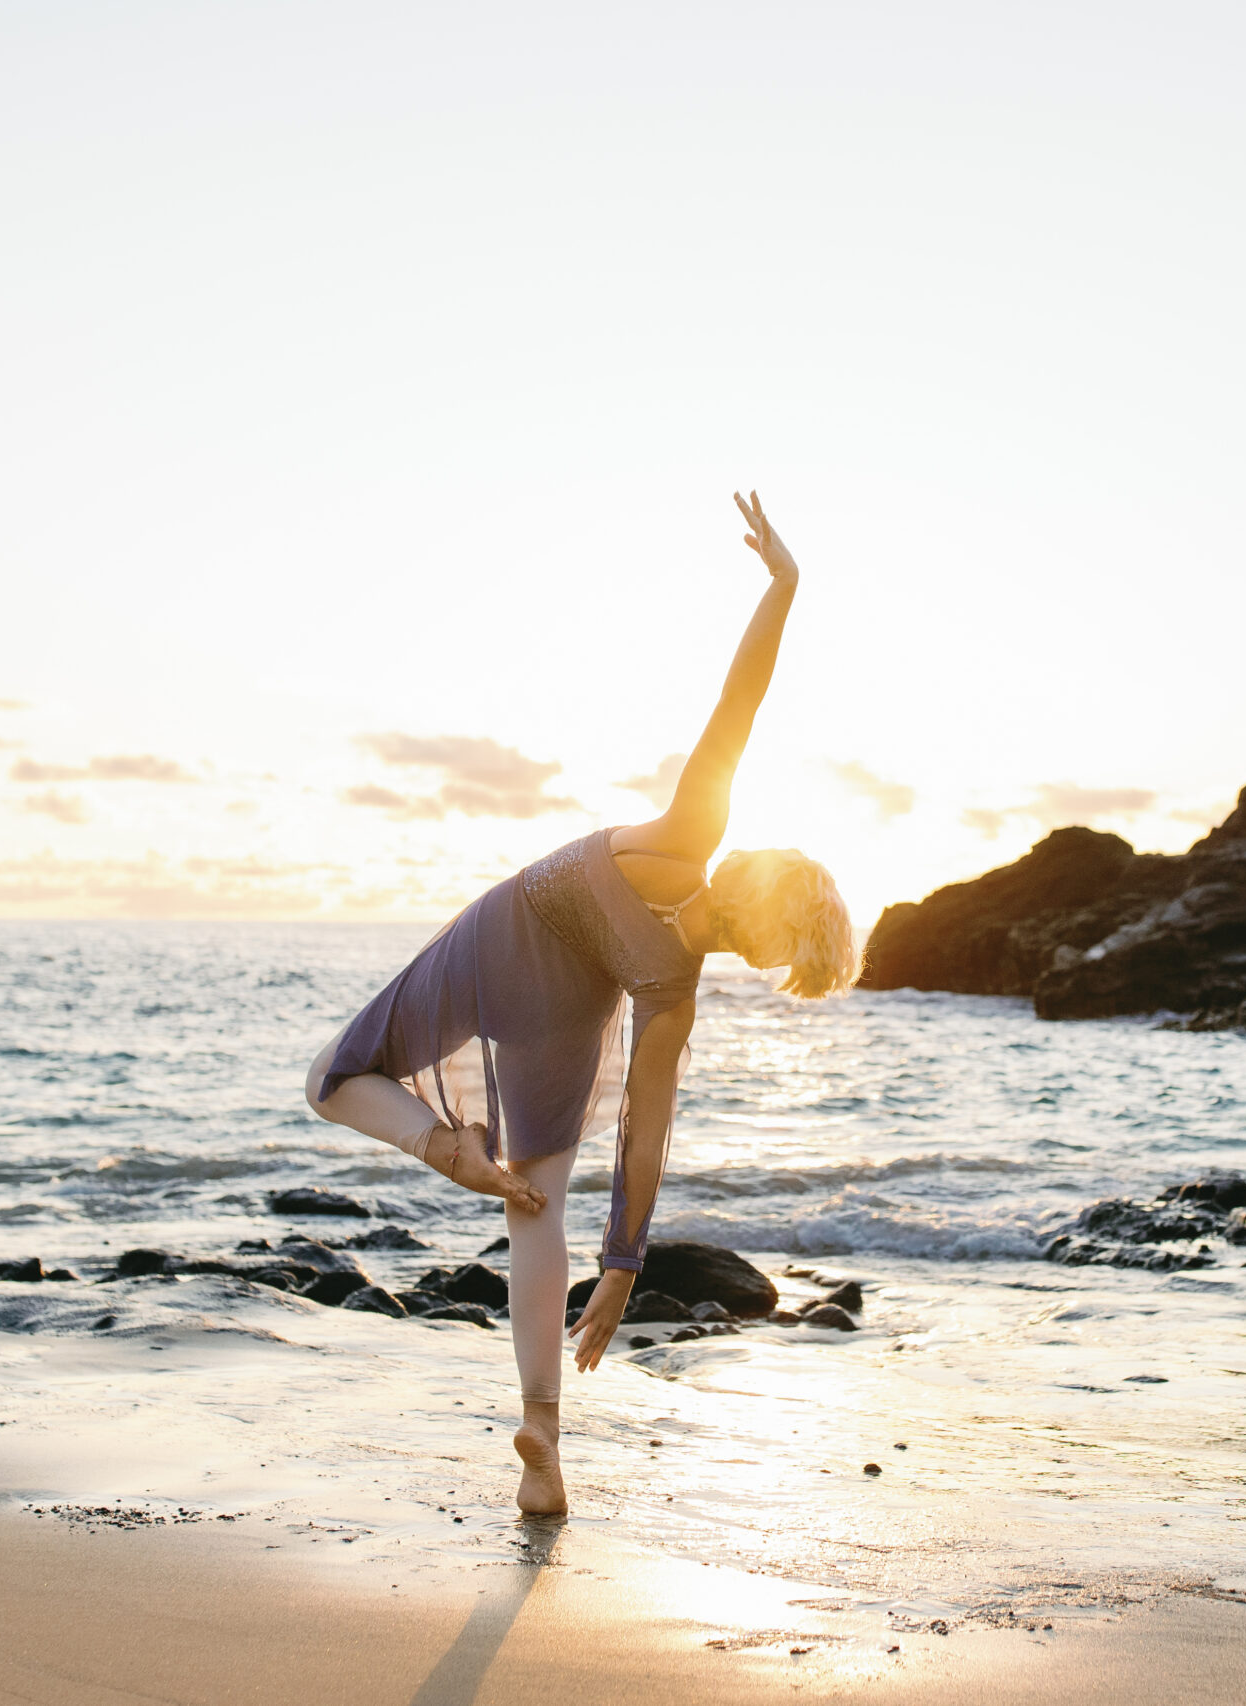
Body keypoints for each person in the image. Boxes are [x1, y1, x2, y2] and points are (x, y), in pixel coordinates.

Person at [303, 492, 856, 1515]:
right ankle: (543, 1435)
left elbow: (735, 712)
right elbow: (644, 1136)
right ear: (770, 924)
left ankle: (439, 1147)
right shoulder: (674, 984)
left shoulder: (689, 834)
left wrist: (783, 586)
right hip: (568, 1010)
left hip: (504, 937)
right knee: (537, 1208)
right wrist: (617, 1268)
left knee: (332, 1079)